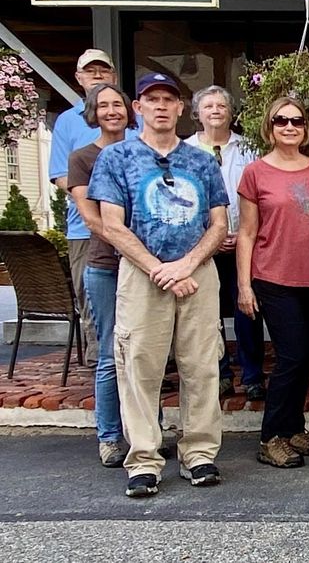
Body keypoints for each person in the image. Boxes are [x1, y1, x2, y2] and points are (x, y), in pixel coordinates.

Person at [89, 71, 228, 497]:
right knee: (139, 366)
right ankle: (144, 459)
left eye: (169, 99)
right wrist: (158, 269)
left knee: (201, 366)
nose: (161, 106)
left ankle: (199, 453)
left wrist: (186, 265)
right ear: (139, 107)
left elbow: (219, 223)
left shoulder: (202, 161)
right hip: (141, 274)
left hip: (196, 272)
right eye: (153, 99)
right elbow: (112, 225)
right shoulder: (116, 158)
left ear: (181, 108)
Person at [237, 97, 309, 469]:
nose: (290, 126)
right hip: (275, 276)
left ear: (305, 128)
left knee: (306, 358)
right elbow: (247, 233)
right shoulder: (255, 173)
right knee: (291, 356)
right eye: (281, 121)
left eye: (297, 121)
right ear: (270, 127)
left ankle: (293, 428)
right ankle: (271, 438)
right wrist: (244, 285)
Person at [67, 82, 138, 467]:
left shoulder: (143, 151)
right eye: (104, 105)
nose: (112, 111)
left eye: (118, 104)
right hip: (106, 266)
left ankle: (145, 432)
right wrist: (135, 248)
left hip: (145, 269)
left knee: (145, 354)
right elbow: (92, 219)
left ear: (129, 110)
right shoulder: (83, 158)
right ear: (93, 113)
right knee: (112, 352)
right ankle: (109, 437)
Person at [50, 49, 133, 366]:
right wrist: (98, 203)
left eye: (103, 70)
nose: (97, 75)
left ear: (114, 75)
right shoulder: (67, 121)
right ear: (79, 78)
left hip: (135, 233)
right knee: (96, 307)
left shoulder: (133, 121)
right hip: (85, 231)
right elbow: (61, 175)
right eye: (90, 71)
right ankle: (102, 369)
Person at [184, 85, 265, 401]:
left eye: (221, 106)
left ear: (231, 113)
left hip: (243, 242)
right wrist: (212, 238)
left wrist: (241, 234)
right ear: (197, 113)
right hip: (202, 246)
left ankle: (253, 375)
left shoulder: (248, 150)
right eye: (209, 106)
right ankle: (220, 374)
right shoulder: (185, 151)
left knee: (248, 310)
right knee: (207, 314)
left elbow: (258, 197)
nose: (216, 111)